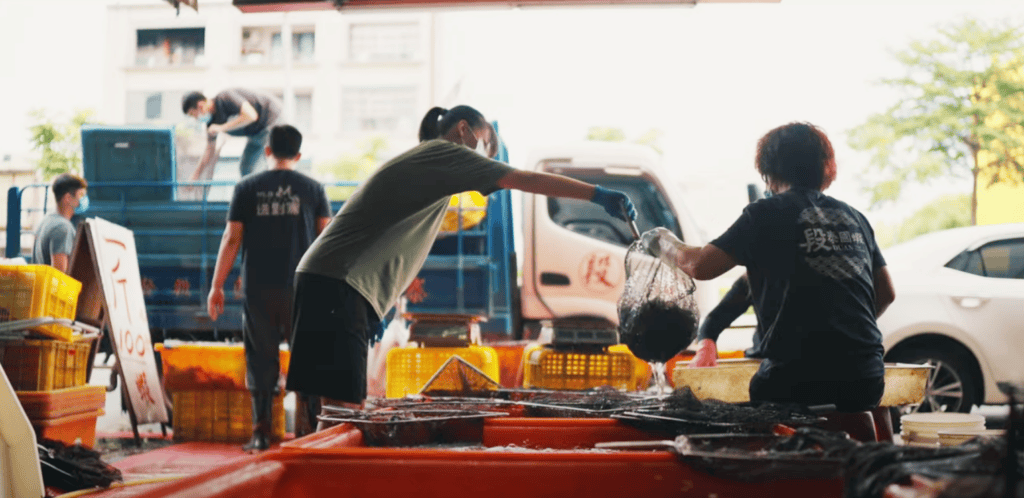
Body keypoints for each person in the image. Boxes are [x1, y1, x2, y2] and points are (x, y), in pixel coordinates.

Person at [286, 105, 637, 428]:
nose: (485, 160)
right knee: (342, 411)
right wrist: (596, 195)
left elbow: (394, 246)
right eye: (485, 147)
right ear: (465, 131)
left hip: (333, 281)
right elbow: (525, 181)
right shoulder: (446, 153)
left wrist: (381, 306)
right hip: (337, 283)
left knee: (327, 411)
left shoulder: (429, 174)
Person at [643, 122, 896, 436]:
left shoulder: (764, 213)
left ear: (767, 172)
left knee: (755, 404)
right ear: (825, 169)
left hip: (794, 380)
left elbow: (699, 266)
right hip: (866, 377)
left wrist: (660, 241)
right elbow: (886, 293)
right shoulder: (856, 219)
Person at [206, 124, 332, 451]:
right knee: (307, 359)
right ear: (299, 155)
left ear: (267, 151)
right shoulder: (313, 189)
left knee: (260, 360)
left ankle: (262, 432)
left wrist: (217, 286)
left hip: (258, 289)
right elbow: (327, 241)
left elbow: (232, 238)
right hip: (302, 290)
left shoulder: (247, 188)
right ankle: (308, 434)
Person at [182, 89, 283, 181]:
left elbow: (251, 115)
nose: (195, 118)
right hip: (256, 134)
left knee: (270, 163)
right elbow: (209, 151)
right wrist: (195, 176)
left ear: (200, 105)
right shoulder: (211, 123)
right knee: (246, 168)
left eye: (192, 114)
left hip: (271, 119)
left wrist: (222, 127)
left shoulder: (225, 98)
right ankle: (252, 197)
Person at [33, 173, 88, 273]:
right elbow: (60, 276)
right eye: (80, 195)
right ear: (68, 198)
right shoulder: (62, 227)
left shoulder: (46, 220)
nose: (83, 199)